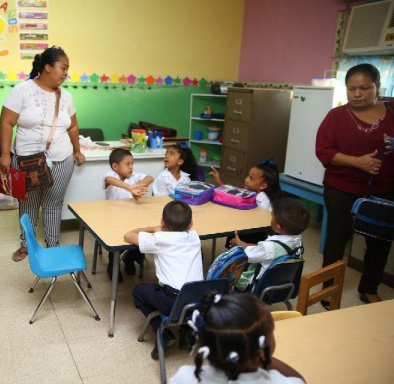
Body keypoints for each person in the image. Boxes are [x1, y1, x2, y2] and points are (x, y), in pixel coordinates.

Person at [316, 63, 394, 305]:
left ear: (377, 87)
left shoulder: (392, 113)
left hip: (384, 190)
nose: (357, 94)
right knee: (337, 238)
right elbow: (324, 151)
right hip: (341, 187)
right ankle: (329, 288)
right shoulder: (336, 116)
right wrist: (357, 162)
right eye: (352, 89)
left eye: (364, 88)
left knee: (380, 241)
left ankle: (369, 288)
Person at [0, 46, 86, 262]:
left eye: (67, 69)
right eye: (63, 68)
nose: (66, 73)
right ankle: (26, 244)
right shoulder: (22, 90)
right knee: (28, 203)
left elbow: (73, 127)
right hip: (27, 160)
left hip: (62, 158)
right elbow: (6, 122)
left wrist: (77, 150)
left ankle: (52, 243)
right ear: (48, 67)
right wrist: (5, 155)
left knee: (53, 203)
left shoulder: (66, 97)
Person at [124, 200, 203, 359]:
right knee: (182, 292)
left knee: (139, 292)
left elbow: (128, 235)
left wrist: (155, 228)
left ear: (162, 222)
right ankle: (187, 331)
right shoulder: (194, 236)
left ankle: (164, 334)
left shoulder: (159, 239)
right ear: (191, 224)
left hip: (173, 302)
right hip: (200, 301)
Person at [169, 292, 305, 383]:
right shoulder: (281, 381)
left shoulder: (184, 378)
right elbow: (300, 380)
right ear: (260, 350)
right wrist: (262, 358)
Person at [233, 197, 310, 292]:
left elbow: (246, 255)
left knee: (229, 266)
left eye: (272, 216)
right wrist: (244, 244)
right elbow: (263, 251)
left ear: (278, 227)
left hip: (256, 288)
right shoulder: (298, 242)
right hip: (282, 287)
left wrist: (238, 245)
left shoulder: (269, 248)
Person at [105, 148, 154, 281]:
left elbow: (150, 177)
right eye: (127, 164)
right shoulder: (111, 175)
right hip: (113, 218)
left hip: (133, 217)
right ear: (115, 166)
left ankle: (130, 259)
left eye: (132, 164)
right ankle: (112, 265)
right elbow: (109, 180)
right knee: (115, 239)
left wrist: (139, 185)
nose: (131, 167)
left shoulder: (134, 176)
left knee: (138, 236)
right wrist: (130, 188)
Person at [210, 159, 281, 211]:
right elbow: (231, 193)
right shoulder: (250, 191)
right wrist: (218, 180)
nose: (246, 179)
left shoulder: (262, 201)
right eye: (248, 176)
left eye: (251, 178)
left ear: (263, 186)